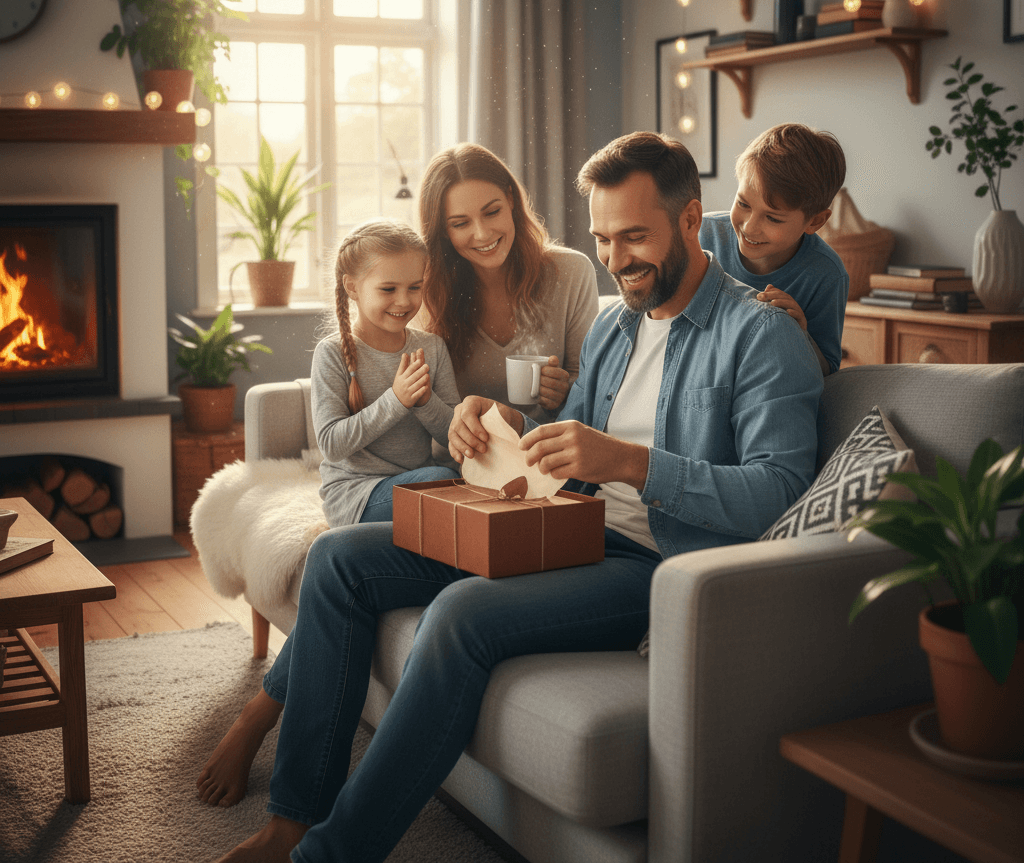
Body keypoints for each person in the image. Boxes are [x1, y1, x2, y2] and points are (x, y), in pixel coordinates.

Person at [205, 132, 823, 863]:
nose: (616, 259)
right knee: (339, 560)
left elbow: (778, 493)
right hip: (567, 524)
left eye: (636, 236)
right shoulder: (618, 328)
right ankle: (293, 819)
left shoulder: (759, 335)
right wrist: (493, 421)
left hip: (658, 562)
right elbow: (570, 437)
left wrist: (629, 462)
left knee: (463, 614)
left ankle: (332, 855)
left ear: (691, 221)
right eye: (602, 237)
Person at [196, 218, 460, 808]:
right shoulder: (333, 354)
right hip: (356, 496)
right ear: (351, 286)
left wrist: (428, 405)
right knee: (440, 483)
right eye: (388, 289)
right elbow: (334, 443)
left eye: (414, 288)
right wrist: (397, 399)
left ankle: (258, 717)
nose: (404, 302)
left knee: (440, 482)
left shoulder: (431, 349)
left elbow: (449, 431)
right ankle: (264, 731)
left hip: (413, 487)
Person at [418, 142, 599, 420]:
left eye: (492, 212)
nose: (482, 234)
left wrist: (564, 393)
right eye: (460, 224)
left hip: (544, 451)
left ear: (511, 200)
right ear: (443, 231)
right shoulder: (425, 292)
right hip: (462, 456)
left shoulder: (572, 272)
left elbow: (589, 388)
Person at [699, 122, 849, 375]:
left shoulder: (826, 274)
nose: (749, 226)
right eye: (743, 204)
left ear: (815, 221)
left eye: (773, 218)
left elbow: (827, 372)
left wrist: (798, 332)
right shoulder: (702, 235)